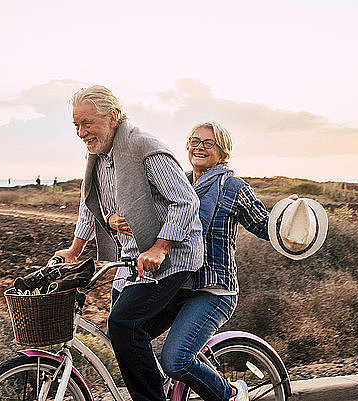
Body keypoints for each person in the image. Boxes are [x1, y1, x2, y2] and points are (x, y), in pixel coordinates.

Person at [54, 85, 204, 401]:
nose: (81, 132)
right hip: (133, 258)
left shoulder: (142, 147)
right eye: (76, 125)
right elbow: (90, 203)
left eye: (87, 123)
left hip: (173, 258)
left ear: (112, 117)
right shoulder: (97, 157)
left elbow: (186, 202)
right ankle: (162, 383)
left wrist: (160, 246)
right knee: (123, 336)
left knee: (124, 325)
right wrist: (75, 249)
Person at [109, 121, 278, 400]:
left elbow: (265, 225)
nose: (199, 147)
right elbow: (145, 217)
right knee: (126, 333)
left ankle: (231, 395)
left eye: (208, 143)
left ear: (223, 152)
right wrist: (112, 219)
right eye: (194, 141)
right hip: (174, 285)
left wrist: (291, 216)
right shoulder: (177, 182)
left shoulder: (232, 186)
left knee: (175, 360)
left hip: (212, 290)